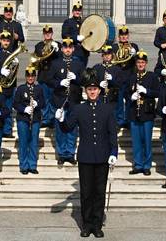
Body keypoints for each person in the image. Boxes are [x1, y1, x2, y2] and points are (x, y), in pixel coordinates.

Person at [55, 68, 118, 238]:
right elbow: (68, 127)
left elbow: (113, 132)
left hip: (103, 156)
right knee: (86, 192)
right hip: (85, 156)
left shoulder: (107, 109)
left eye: (95, 89)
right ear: (86, 91)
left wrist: (114, 152)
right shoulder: (78, 109)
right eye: (89, 89)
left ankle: (97, 225)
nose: (92, 92)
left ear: (99, 90)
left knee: (99, 191)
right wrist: (61, 120)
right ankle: (86, 224)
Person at [49, 38, 84, 165]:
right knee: (60, 128)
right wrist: (59, 83)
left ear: (73, 49)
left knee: (72, 128)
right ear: (62, 49)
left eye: (70, 47)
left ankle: (70, 152)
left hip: (74, 100)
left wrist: (76, 78)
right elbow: (49, 81)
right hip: (59, 100)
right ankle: (62, 153)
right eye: (65, 47)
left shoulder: (78, 64)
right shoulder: (56, 63)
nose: (68, 49)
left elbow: (84, 81)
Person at [127, 50, 160, 176]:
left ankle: (146, 165)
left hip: (147, 113)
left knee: (146, 141)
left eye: (142, 62)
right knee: (136, 141)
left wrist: (147, 91)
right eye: (138, 62)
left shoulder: (152, 77)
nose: (140, 64)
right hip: (134, 113)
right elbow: (126, 92)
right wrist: (131, 96)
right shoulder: (132, 77)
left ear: (146, 63)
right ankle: (138, 164)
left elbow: (158, 92)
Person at [13, 67, 45, 174]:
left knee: (33, 142)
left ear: (35, 77)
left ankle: (32, 165)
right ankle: (24, 166)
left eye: (32, 76)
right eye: (28, 76)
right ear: (26, 77)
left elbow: (44, 103)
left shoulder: (39, 89)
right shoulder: (21, 88)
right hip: (23, 119)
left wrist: (37, 104)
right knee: (23, 142)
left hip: (35, 119)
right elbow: (15, 104)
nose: (30, 78)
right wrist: (24, 109)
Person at [32, 25, 61, 128]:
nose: (47, 34)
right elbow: (39, 55)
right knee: (44, 99)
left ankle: (52, 119)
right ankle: (44, 119)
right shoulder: (39, 45)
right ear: (43, 34)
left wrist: (56, 49)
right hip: (43, 76)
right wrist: (47, 48)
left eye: (49, 33)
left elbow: (61, 58)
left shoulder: (58, 44)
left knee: (53, 99)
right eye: (45, 33)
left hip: (54, 76)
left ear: (52, 33)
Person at [111, 25, 139, 128]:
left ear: (128, 35)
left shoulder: (133, 46)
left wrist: (135, 54)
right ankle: (119, 120)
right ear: (119, 36)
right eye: (122, 35)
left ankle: (128, 119)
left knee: (129, 100)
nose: (124, 37)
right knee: (118, 100)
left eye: (125, 35)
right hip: (118, 78)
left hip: (130, 77)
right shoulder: (114, 47)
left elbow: (139, 62)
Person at [62, 1, 89, 67]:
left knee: (82, 72)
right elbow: (64, 35)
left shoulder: (84, 22)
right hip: (74, 51)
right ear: (72, 11)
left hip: (84, 51)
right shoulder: (68, 22)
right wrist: (76, 38)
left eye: (79, 11)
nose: (77, 12)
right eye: (76, 10)